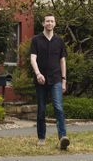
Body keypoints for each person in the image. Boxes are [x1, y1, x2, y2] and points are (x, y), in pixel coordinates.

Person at [30, 13, 70, 150]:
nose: (49, 23)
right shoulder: (36, 40)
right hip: (40, 80)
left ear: (55, 23)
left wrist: (64, 80)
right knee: (41, 110)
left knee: (58, 108)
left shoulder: (59, 41)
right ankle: (41, 138)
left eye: (52, 21)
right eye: (47, 21)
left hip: (56, 79)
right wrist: (38, 74)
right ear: (43, 23)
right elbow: (32, 59)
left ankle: (63, 138)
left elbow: (62, 61)